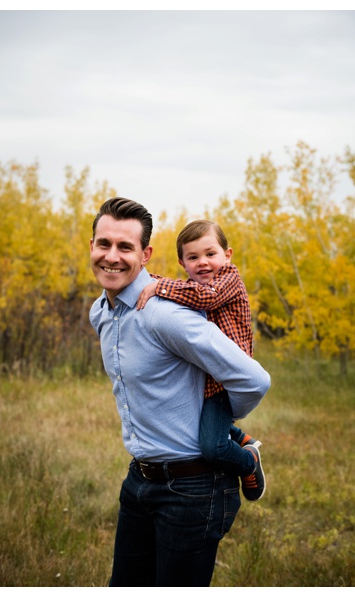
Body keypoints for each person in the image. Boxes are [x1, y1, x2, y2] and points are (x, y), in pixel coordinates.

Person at [88, 197, 270, 586]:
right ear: (92, 247)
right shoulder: (101, 312)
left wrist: (222, 420)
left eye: (125, 247)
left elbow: (254, 379)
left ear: (146, 253)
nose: (112, 257)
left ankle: (241, 452)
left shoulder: (165, 314)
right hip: (139, 481)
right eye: (104, 244)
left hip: (192, 489)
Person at [135, 220, 266, 502]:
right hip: (203, 379)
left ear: (227, 255)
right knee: (187, 421)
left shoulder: (228, 279)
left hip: (224, 380)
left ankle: (247, 461)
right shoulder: (190, 287)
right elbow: (182, 289)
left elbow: (206, 298)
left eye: (210, 254)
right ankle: (239, 435)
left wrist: (160, 287)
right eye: (193, 257)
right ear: (182, 262)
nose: (203, 262)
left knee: (213, 447)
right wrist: (144, 282)